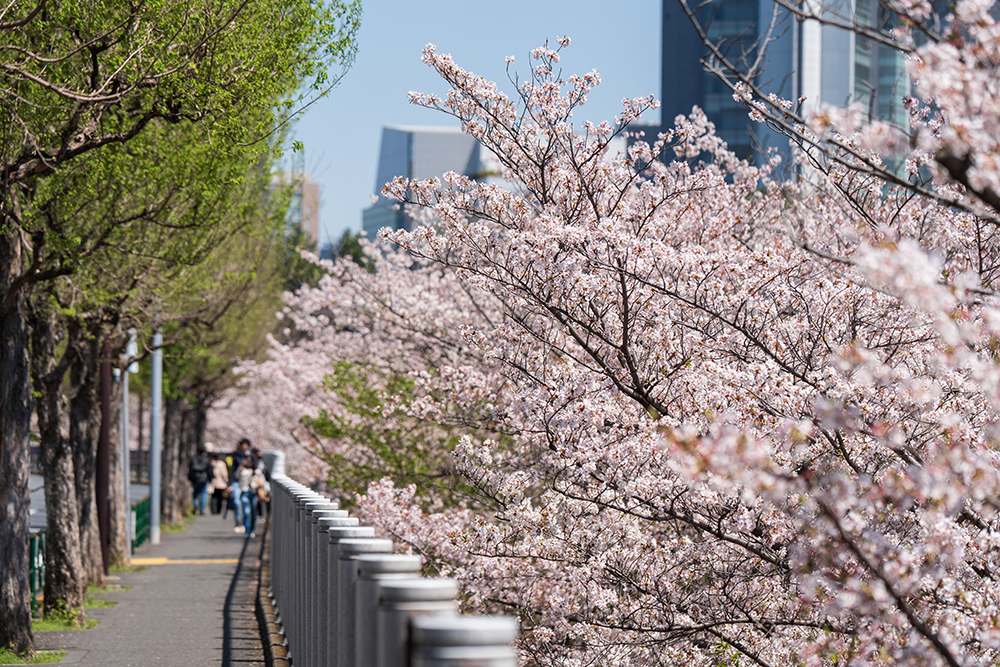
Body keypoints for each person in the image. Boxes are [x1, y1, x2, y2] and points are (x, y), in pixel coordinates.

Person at [229, 438, 254, 533]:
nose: (244, 446)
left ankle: (246, 525)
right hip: (237, 481)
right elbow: (232, 471)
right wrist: (230, 484)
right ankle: (238, 521)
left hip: (248, 483)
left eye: (245, 445)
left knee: (246, 504)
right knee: (236, 501)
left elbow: (255, 466)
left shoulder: (251, 455)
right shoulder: (236, 456)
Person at [238, 455, 258, 537]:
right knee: (246, 512)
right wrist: (241, 466)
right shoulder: (242, 470)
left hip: (253, 492)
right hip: (244, 491)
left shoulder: (256, 472)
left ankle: (252, 529)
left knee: (253, 512)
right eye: (247, 461)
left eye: (251, 461)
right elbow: (236, 476)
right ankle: (247, 529)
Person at [187, 444, 211, 515]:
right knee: (203, 493)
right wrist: (210, 478)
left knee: (195, 493)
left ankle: (195, 505)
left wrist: (190, 478)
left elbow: (190, 469)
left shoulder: (193, 458)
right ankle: (202, 509)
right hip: (203, 479)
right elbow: (209, 470)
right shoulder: (206, 459)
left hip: (195, 479)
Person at [209, 450, 229, 515]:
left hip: (213, 482)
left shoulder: (211, 463)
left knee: (214, 497)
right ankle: (218, 510)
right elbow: (224, 474)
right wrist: (226, 480)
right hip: (220, 483)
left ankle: (213, 510)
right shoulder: (222, 464)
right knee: (220, 497)